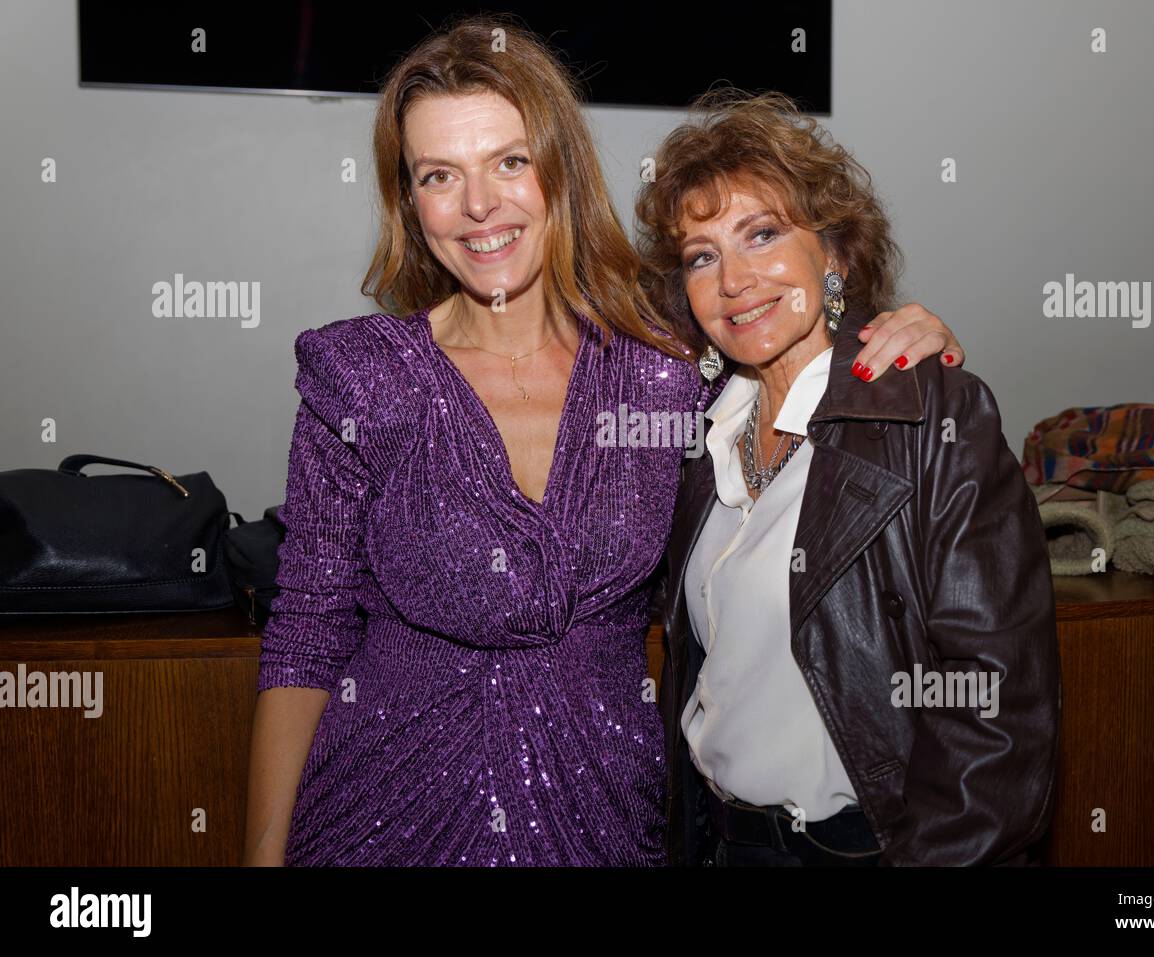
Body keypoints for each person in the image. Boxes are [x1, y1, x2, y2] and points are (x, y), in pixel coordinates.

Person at [242, 16, 965, 866]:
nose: (480, 205)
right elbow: (305, 633)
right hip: (380, 818)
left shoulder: (666, 369)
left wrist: (893, 334)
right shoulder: (358, 377)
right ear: (411, 201)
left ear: (560, 170)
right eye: (441, 174)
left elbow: (779, 320)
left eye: (511, 161)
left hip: (605, 821)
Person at [636, 90, 1061, 866]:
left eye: (762, 233)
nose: (734, 279)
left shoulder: (933, 412)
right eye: (702, 255)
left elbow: (996, 709)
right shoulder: (695, 438)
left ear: (832, 254)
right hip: (723, 842)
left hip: (872, 850)